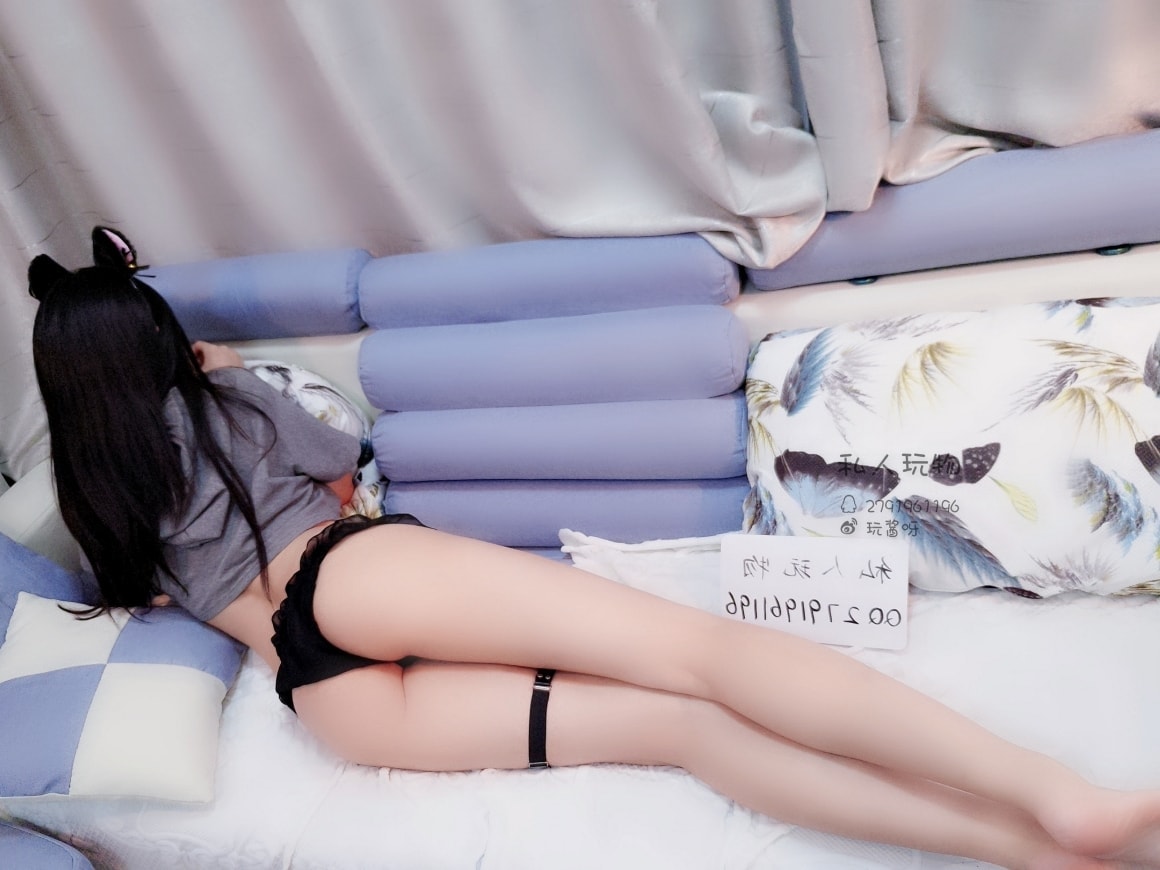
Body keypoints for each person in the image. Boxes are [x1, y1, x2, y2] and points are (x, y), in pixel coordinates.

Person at [26, 229, 1160, 870]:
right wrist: (224, 371)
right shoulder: (225, 405)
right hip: (349, 575)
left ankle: (1035, 854)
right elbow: (336, 460)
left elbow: (171, 594)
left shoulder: (93, 500)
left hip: (325, 698)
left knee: (683, 730)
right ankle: (1053, 796)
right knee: (699, 656)